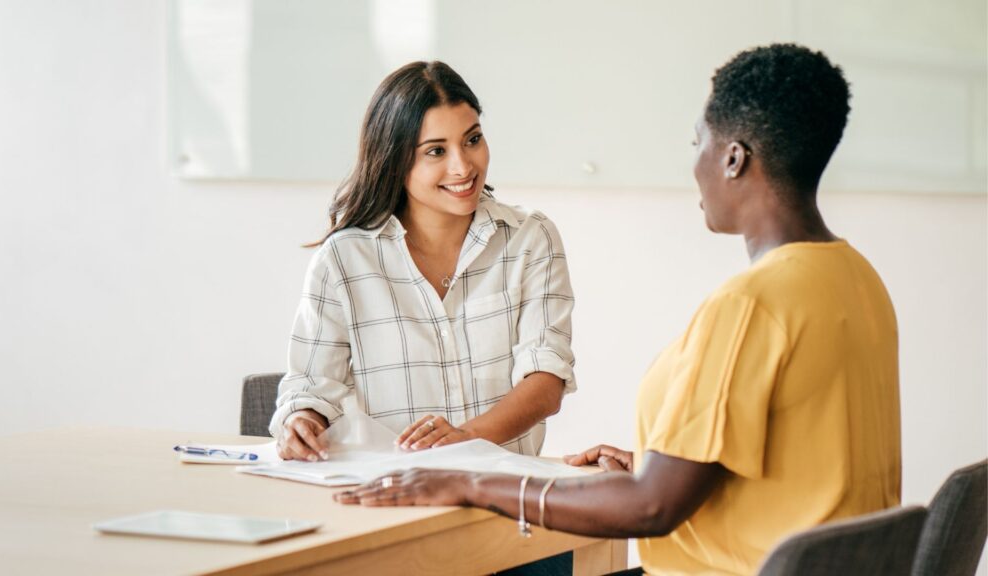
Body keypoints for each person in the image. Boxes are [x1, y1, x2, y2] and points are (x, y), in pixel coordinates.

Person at [333, 44, 902, 576]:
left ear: (733, 158)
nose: (694, 164)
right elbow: (803, 469)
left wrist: (471, 484)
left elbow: (651, 510)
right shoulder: (856, 279)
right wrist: (656, 467)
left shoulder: (750, 307)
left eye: (696, 141)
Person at [271, 61, 576, 463]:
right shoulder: (344, 261)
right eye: (436, 150)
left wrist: (464, 438)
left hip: (503, 493)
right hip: (392, 493)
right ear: (395, 160)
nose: (463, 166)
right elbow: (310, 386)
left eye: (472, 140)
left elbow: (545, 379)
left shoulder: (529, 238)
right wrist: (302, 421)